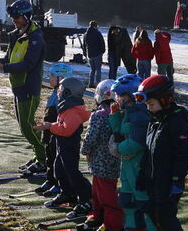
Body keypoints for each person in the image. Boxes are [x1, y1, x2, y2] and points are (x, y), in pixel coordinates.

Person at [0, 0, 46, 174]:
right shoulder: (16, 34)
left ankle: (44, 159)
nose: (14, 20)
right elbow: (11, 59)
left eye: (17, 17)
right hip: (17, 86)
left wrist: (4, 67)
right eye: (12, 17)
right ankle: (38, 156)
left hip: (29, 86)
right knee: (24, 126)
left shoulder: (36, 38)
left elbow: (28, 64)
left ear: (26, 17)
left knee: (28, 125)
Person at [133, 75, 188, 231]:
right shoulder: (154, 121)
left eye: (151, 104)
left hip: (168, 180)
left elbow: (183, 154)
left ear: (165, 99)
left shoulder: (176, 122)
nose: (148, 108)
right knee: (153, 212)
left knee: (166, 217)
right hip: (153, 178)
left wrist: (177, 180)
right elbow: (148, 149)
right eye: (147, 104)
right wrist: (142, 173)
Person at [34, 77, 92, 218]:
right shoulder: (67, 107)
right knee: (59, 170)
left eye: (61, 90)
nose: (58, 92)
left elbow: (67, 130)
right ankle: (67, 194)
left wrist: (50, 126)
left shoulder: (72, 110)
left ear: (68, 93)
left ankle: (87, 198)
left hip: (69, 146)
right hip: (62, 145)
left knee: (72, 173)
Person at [108, 74, 156, 231]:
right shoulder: (128, 112)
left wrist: (119, 148)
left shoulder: (139, 114)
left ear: (131, 96)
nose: (117, 99)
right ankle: (131, 227)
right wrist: (114, 116)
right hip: (127, 166)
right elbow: (119, 132)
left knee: (145, 205)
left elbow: (137, 141)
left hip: (138, 166)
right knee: (128, 202)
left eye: (120, 95)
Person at [77, 79, 122, 231]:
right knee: (98, 192)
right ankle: (98, 216)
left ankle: (112, 224)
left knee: (107, 196)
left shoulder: (98, 115)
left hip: (99, 161)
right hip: (114, 161)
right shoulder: (119, 113)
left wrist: (85, 151)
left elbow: (91, 137)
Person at [35, 63, 73, 197]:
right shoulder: (54, 92)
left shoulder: (63, 95)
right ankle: (50, 180)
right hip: (48, 129)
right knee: (49, 156)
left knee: (56, 158)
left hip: (56, 131)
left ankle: (58, 183)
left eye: (52, 76)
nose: (49, 78)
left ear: (61, 78)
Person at [83, 21, 106, 87]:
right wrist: (102, 51)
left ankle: (91, 83)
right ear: (95, 26)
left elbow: (84, 45)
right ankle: (98, 84)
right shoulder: (98, 33)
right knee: (98, 70)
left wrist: (85, 53)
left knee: (92, 70)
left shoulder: (86, 34)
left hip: (90, 54)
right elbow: (102, 43)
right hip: (97, 54)